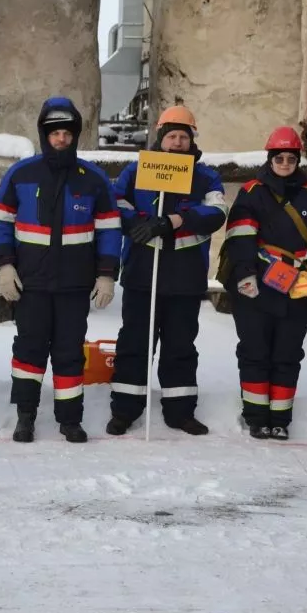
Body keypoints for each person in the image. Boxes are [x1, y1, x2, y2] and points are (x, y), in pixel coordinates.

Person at [0, 97, 122, 444]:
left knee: (68, 351)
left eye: (67, 133)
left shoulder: (93, 179)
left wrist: (106, 274)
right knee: (29, 350)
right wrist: (4, 267)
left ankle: (69, 420)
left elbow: (109, 228)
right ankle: (25, 417)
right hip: (30, 283)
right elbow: (0, 222)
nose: (61, 139)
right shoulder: (22, 174)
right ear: (44, 135)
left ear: (75, 136)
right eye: (55, 133)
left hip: (74, 285)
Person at [105, 104, 227, 437]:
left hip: (185, 275)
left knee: (181, 345)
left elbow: (216, 213)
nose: (176, 143)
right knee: (134, 343)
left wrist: (174, 220)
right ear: (161, 139)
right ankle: (126, 410)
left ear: (191, 140)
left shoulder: (206, 176)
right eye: (171, 136)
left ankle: (180, 412)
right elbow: (117, 203)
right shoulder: (136, 171)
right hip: (144, 271)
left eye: (182, 137)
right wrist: (141, 223)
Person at [220, 126, 307, 441]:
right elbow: (240, 235)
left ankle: (280, 419)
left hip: (296, 288)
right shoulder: (251, 191)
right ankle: (256, 416)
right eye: (279, 157)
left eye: (290, 158)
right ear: (270, 158)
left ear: (297, 159)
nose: (285, 163)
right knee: (254, 351)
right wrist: (245, 274)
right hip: (256, 286)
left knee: (287, 353)